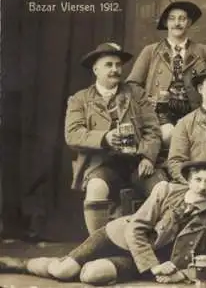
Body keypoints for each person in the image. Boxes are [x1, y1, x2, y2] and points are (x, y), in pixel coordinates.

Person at [0, 161, 206, 285]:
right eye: (197, 179)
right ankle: (19, 264)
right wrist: (151, 266)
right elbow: (136, 228)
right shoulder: (166, 190)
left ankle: (95, 266)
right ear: (188, 180)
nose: (201, 186)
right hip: (118, 236)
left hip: (143, 260)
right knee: (64, 270)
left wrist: (181, 274)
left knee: (92, 276)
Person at [65, 42, 164, 233]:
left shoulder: (136, 94)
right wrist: (105, 138)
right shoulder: (80, 99)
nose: (115, 70)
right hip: (102, 164)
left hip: (137, 162)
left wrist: (148, 157)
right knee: (95, 187)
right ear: (95, 69)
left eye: (118, 65)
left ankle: (153, 244)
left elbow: (153, 129)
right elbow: (73, 134)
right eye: (108, 65)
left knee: (161, 188)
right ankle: (98, 244)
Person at [126, 1, 206, 149]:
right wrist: (148, 99)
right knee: (170, 136)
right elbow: (132, 84)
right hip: (161, 113)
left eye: (182, 19)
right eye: (172, 18)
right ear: (165, 22)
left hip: (195, 112)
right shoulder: (151, 51)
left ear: (189, 23)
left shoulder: (204, 51)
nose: (177, 23)